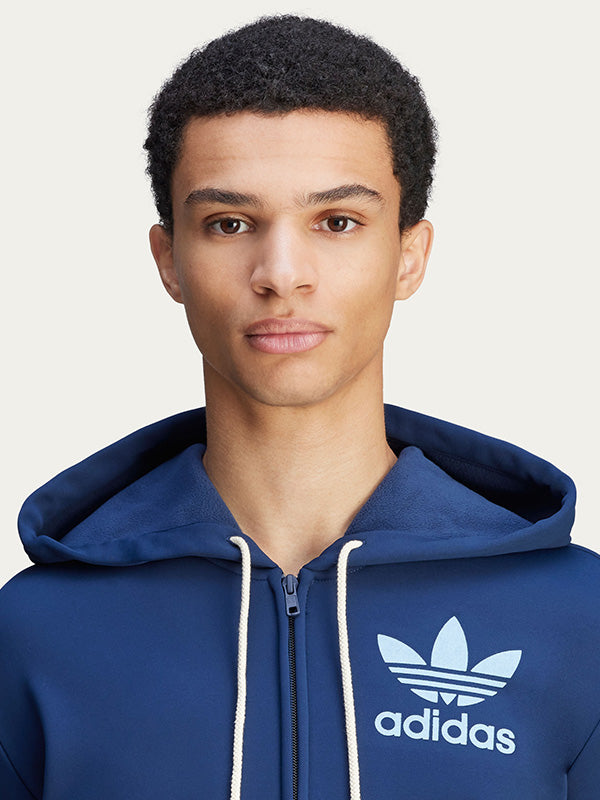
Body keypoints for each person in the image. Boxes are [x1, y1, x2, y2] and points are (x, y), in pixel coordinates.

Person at [0, 14, 598, 799]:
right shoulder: (35, 632)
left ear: (409, 255)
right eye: (229, 223)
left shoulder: (576, 616)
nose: (281, 273)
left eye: (337, 222)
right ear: (170, 260)